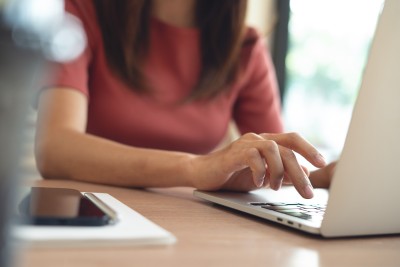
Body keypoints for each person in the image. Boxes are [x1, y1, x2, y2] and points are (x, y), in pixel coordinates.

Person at [34, 0, 335, 200]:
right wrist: (196, 169)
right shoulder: (81, 11)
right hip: (94, 218)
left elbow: (274, 162)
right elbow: (55, 148)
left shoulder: (244, 47)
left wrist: (329, 176)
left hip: (187, 227)